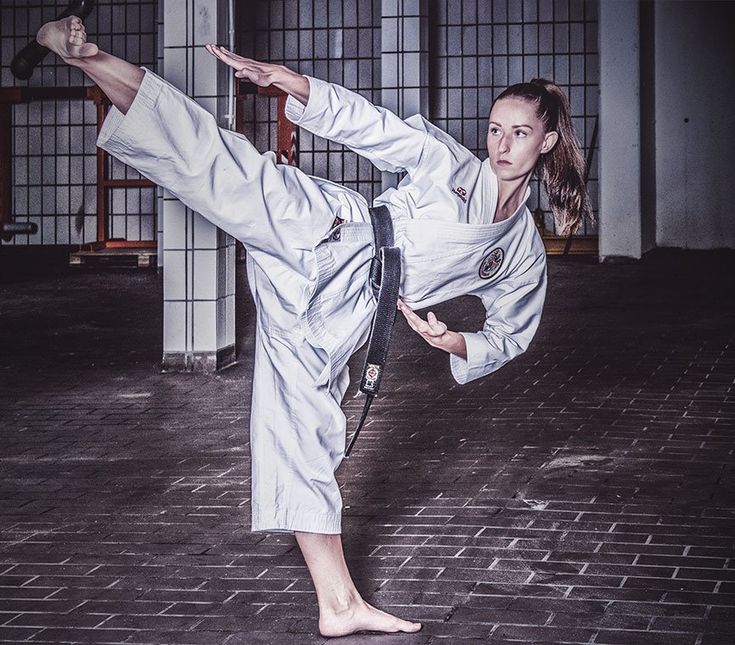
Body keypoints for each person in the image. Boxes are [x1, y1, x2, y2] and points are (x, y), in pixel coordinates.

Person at [36, 15, 592, 638]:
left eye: (519, 133)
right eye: (495, 129)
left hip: (348, 310)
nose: (501, 144)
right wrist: (291, 82)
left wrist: (454, 341)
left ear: (546, 142)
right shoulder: (450, 164)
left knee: (307, 432)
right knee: (211, 157)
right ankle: (84, 55)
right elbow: (372, 127)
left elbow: (513, 331)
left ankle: (338, 604)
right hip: (329, 227)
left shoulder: (519, 248)